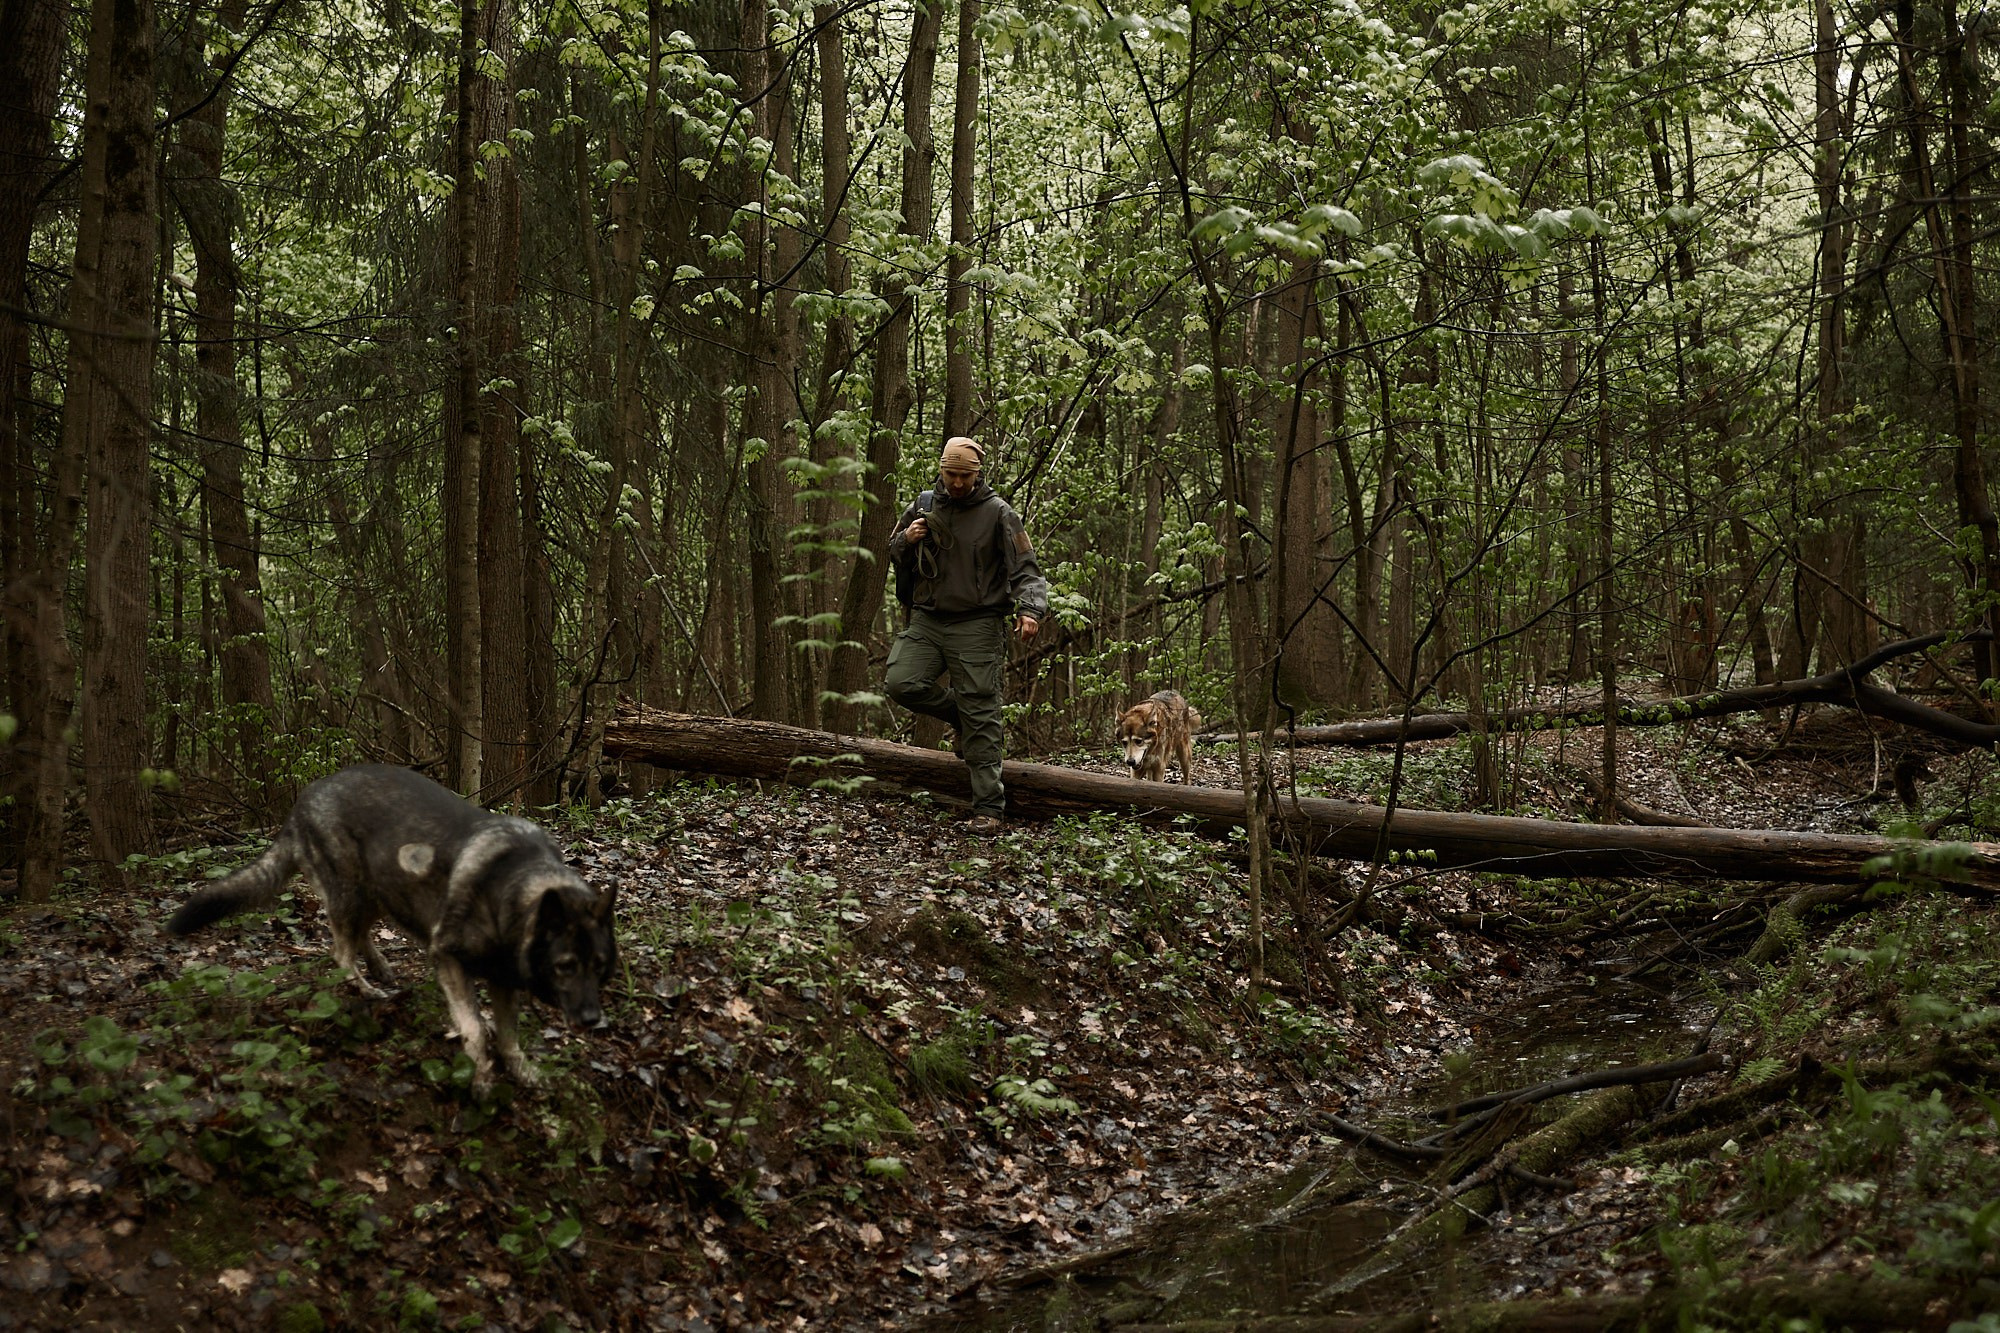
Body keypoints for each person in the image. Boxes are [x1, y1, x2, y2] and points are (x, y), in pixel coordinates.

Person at [885, 437, 1048, 834]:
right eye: (951, 474)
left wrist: (1030, 609)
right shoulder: (923, 505)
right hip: (927, 617)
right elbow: (893, 550)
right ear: (941, 470)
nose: (957, 482)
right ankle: (961, 715)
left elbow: (1026, 567)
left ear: (978, 474)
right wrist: (907, 540)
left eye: (965, 475)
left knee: (982, 707)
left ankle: (988, 808)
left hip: (978, 622)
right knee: (901, 682)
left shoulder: (999, 513)